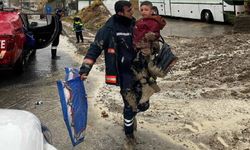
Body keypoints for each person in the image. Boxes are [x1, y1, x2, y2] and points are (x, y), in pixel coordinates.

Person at [79, 1, 150, 149]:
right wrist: (85, 69)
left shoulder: (133, 23)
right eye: (129, 10)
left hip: (140, 71)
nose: (132, 11)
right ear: (120, 13)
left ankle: (132, 114)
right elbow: (95, 48)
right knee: (129, 106)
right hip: (124, 75)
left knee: (144, 104)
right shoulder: (108, 29)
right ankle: (129, 134)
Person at [132, 1, 166, 104]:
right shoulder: (141, 21)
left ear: (152, 11)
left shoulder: (153, 22)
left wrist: (148, 37)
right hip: (139, 48)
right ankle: (152, 83)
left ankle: (146, 88)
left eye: (146, 10)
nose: (143, 12)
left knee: (137, 67)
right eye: (141, 10)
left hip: (145, 49)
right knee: (143, 68)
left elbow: (153, 35)